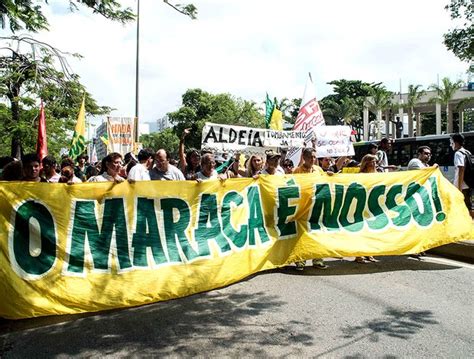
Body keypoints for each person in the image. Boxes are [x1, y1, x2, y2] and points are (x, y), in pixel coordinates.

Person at [292, 147, 328, 270]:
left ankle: (318, 259)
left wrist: (330, 176)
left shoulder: (319, 170)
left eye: (314, 157)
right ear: (304, 158)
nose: (313, 159)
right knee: (301, 235)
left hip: (316, 207)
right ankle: (300, 261)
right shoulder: (297, 171)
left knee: (317, 233)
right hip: (302, 208)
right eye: (310, 157)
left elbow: (326, 184)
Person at [355, 154, 379, 263]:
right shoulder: (360, 175)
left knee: (372, 231)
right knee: (362, 231)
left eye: (375, 161)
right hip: (362, 206)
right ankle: (359, 255)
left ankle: (370, 253)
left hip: (373, 206)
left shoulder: (378, 175)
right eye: (372, 161)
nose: (375, 164)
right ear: (366, 163)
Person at [451, 133, 472, 214]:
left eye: (452, 143)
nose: (451, 145)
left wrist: (459, 188)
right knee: (468, 206)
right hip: (468, 184)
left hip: (462, 186)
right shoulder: (467, 152)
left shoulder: (458, 153)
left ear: (456, 143)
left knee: (460, 208)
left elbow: (461, 169)